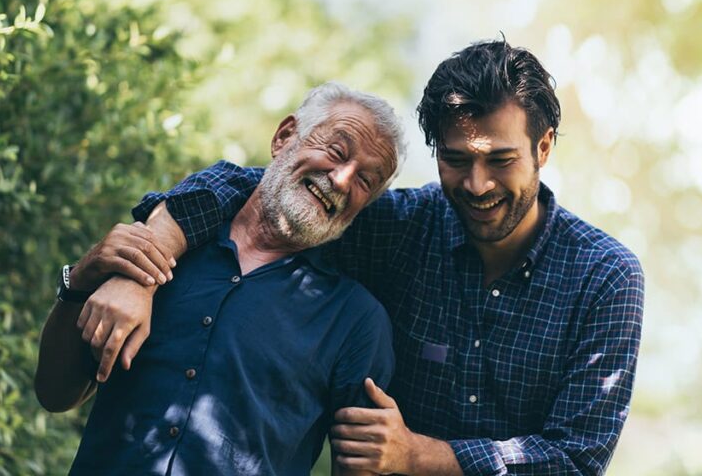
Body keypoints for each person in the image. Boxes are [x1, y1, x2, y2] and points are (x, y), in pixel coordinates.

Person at [78, 39, 644, 475]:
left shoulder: (605, 277)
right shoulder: (401, 229)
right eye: (454, 160)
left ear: (543, 148)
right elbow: (260, 191)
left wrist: (417, 455)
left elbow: (575, 458)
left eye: (500, 159)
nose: (475, 185)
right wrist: (145, 264)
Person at [34, 82, 408, 475]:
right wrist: (80, 278)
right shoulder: (162, 243)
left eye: (367, 180)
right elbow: (56, 393)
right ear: (284, 137)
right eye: (336, 151)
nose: (343, 179)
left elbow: (365, 462)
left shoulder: (357, 322)